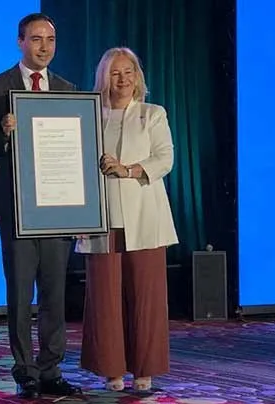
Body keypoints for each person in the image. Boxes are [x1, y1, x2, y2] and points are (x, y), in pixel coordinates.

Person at [0, 13, 82, 400]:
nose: (44, 47)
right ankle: (25, 371)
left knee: (54, 295)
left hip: (58, 210)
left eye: (50, 40)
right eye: (36, 39)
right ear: (20, 41)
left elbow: (78, 154)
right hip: (16, 210)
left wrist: (82, 210)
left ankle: (52, 369)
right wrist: (1, 131)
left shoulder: (69, 90)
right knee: (20, 295)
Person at [75, 47, 179, 392]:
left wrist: (129, 170)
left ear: (138, 77)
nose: (121, 79)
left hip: (145, 218)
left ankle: (144, 370)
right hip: (100, 218)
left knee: (146, 297)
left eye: (128, 72)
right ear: (103, 78)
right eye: (114, 73)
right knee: (105, 298)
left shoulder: (152, 114)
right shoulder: (88, 115)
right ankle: (112, 371)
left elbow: (165, 159)